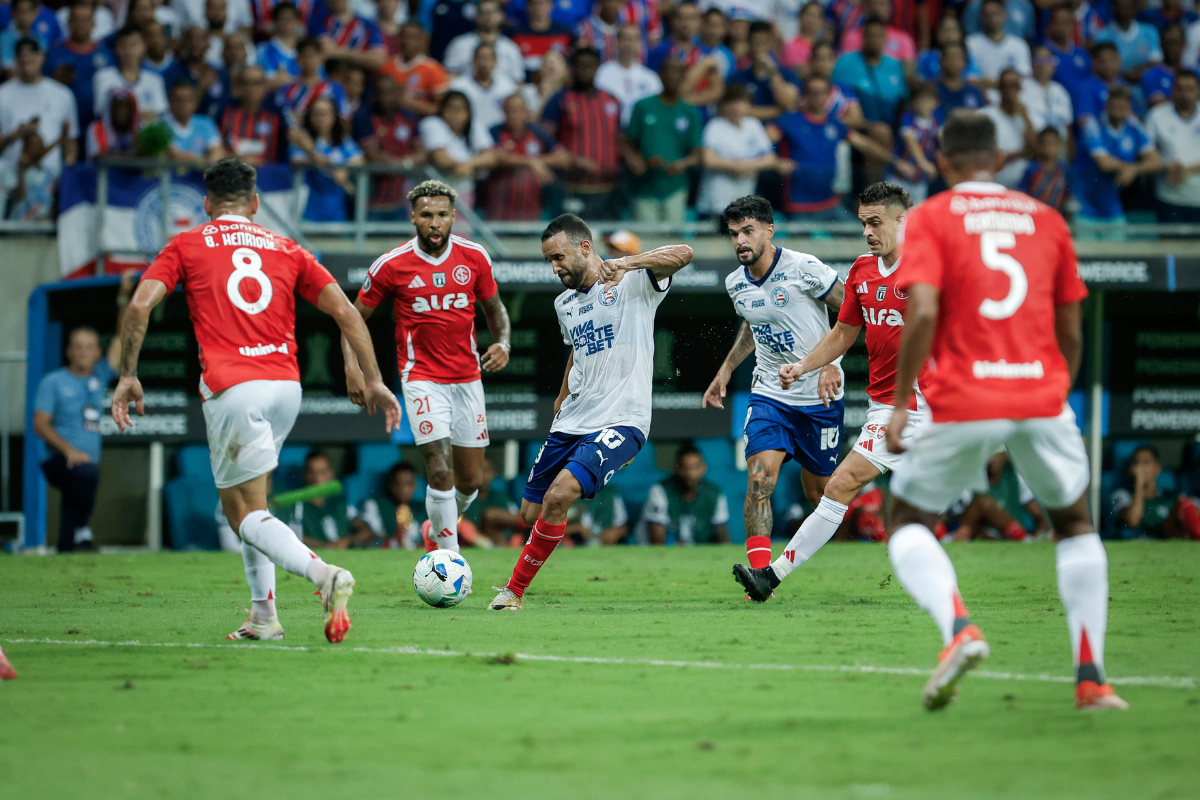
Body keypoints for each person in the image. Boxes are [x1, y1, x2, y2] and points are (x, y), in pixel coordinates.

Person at [879, 109, 1127, 711]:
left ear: (942, 161)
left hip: (966, 395)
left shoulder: (934, 217)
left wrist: (899, 402)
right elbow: (1072, 323)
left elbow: (927, 312)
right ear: (1000, 158)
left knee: (907, 518)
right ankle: (1091, 678)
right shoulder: (1046, 218)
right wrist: (1054, 388)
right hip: (1041, 393)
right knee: (1074, 523)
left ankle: (959, 628)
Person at [111, 158, 401, 643]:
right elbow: (348, 313)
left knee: (241, 514)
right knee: (256, 506)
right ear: (256, 204)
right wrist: (372, 379)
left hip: (233, 387)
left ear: (206, 205)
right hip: (285, 387)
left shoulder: (187, 243)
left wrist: (128, 374)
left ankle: (323, 574)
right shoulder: (287, 247)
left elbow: (140, 304)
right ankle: (264, 616)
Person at [732, 183, 929, 598]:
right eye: (862, 223)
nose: (867, 232)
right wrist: (806, 365)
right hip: (890, 407)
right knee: (836, 486)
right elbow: (842, 332)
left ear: (902, 220)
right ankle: (769, 576)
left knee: (840, 487)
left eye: (876, 223)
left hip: (936, 400)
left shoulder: (930, 267)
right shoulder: (862, 270)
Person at [488, 214, 692, 610]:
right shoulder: (564, 303)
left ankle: (513, 592)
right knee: (530, 512)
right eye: (549, 260)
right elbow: (577, 349)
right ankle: (543, 541)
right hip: (572, 419)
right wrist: (562, 395)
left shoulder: (634, 282)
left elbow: (684, 253)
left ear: (585, 247)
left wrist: (630, 262)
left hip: (622, 418)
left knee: (559, 495)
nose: (555, 267)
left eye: (559, 257)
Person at [344, 179, 512, 554]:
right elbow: (351, 318)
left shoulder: (475, 257)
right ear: (413, 218)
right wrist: (353, 369)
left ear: (453, 216)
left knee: (469, 482)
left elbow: (496, 310)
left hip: (468, 378)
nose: (434, 223)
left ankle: (438, 527)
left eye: (441, 215)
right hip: (421, 378)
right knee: (439, 470)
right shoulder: (392, 264)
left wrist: (503, 342)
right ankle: (448, 562)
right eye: (425, 215)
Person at [702, 195, 843, 576]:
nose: (740, 241)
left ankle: (860, 544)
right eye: (734, 234)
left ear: (769, 230)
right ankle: (760, 576)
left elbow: (852, 311)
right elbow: (752, 323)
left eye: (748, 231)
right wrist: (727, 369)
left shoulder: (804, 268)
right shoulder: (736, 283)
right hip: (770, 393)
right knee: (760, 476)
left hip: (819, 395)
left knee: (822, 496)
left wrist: (832, 363)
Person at [32, 273, 132, 553]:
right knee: (87, 474)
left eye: (89, 347)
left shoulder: (99, 376)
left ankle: (69, 546)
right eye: (77, 346)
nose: (83, 352)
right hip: (57, 461)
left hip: (85, 461)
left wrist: (123, 298)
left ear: (97, 352)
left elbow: (123, 337)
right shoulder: (53, 381)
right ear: (68, 351)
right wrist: (68, 451)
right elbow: (40, 424)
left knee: (76, 500)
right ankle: (83, 530)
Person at [769, 76, 915, 221]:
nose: (818, 97)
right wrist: (775, 162)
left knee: (858, 235)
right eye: (813, 92)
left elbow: (865, 145)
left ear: (829, 95)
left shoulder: (834, 123)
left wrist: (896, 161)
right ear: (805, 95)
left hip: (829, 203)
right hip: (799, 205)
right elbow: (762, 142)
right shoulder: (789, 120)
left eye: (822, 93)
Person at [0, 37, 79, 218]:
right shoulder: (3, 94)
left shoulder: (62, 95)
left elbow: (71, 140)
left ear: (41, 57)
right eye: (22, 60)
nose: (27, 64)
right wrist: (16, 135)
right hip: (11, 177)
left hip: (49, 177)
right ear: (16, 60)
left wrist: (68, 166)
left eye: (32, 59)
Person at [541, 47, 622, 219]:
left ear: (597, 68)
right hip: (570, 188)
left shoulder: (611, 100)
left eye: (590, 66)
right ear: (573, 68)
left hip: (607, 189)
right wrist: (570, 159)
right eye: (580, 66)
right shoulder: (560, 99)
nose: (585, 70)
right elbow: (544, 138)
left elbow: (619, 138)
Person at [622, 58, 703, 222]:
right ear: (660, 75)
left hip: (675, 186)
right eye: (668, 71)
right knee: (646, 241)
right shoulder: (643, 106)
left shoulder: (689, 111)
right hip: (644, 186)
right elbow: (626, 142)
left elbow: (697, 153)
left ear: (683, 77)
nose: (672, 76)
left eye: (677, 72)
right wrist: (635, 161)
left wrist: (682, 164)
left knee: (672, 242)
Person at [697, 84, 790, 220]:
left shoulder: (753, 125)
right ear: (724, 105)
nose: (737, 108)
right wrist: (738, 167)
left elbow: (770, 158)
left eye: (741, 103)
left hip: (743, 202)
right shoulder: (715, 126)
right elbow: (708, 160)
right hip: (715, 201)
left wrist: (741, 166)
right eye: (732, 103)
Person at [1075, 85, 1161, 222]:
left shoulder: (1134, 126)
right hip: (1084, 207)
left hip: (1113, 207)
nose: (1117, 110)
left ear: (1129, 107)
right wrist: (1128, 168)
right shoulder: (1092, 125)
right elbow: (1104, 163)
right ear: (1107, 105)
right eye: (1114, 105)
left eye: (1122, 106)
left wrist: (1134, 169)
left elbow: (1155, 161)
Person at [487, 92, 570, 221]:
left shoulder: (537, 133)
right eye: (510, 110)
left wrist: (536, 161)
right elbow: (497, 158)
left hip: (532, 212)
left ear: (526, 112)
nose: (514, 115)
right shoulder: (494, 132)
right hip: (500, 211)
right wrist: (531, 162)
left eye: (519, 110)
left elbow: (563, 157)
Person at [353, 73, 424, 220]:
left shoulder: (408, 117)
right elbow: (372, 154)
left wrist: (404, 163)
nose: (385, 99)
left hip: (400, 204)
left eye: (390, 93)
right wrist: (400, 164)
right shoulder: (363, 117)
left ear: (398, 93)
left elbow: (421, 152)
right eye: (381, 93)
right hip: (370, 204)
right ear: (374, 94)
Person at [289, 94, 363, 221]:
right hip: (306, 214)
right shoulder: (301, 141)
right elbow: (295, 160)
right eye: (316, 114)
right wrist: (316, 157)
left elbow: (359, 160)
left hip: (335, 213)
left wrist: (344, 170)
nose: (320, 118)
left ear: (334, 116)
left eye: (324, 114)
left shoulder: (342, 142)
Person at [44, 0, 114, 131]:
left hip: (97, 122)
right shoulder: (53, 53)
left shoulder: (106, 54)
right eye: (76, 20)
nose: (80, 25)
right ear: (69, 22)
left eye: (85, 20)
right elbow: (41, 86)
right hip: (63, 119)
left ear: (94, 23)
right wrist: (56, 80)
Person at [949, 452, 1050, 541]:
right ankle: (1022, 539)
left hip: (1009, 538)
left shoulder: (1015, 477)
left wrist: (1038, 537)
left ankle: (1023, 539)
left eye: (996, 453)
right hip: (976, 535)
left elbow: (1040, 515)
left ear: (1005, 456)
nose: (991, 458)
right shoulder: (969, 477)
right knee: (982, 502)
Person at [417, 89, 496, 204]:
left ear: (468, 112)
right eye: (451, 108)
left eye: (460, 110)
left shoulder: (474, 126)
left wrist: (468, 165)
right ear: (442, 109)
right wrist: (468, 165)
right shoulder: (432, 123)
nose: (455, 114)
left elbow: (491, 157)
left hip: (463, 193)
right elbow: (440, 159)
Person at [643, 445, 730, 545]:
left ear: (704, 468)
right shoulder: (660, 491)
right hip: (669, 554)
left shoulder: (714, 493)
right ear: (675, 468)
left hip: (701, 555)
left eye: (695, 467)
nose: (690, 473)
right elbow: (657, 540)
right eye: (685, 468)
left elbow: (723, 536)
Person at [1145, 69, 1200, 223]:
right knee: (1168, 246)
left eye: (1190, 89)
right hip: (1169, 196)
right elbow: (1145, 152)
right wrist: (1167, 167)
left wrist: (1186, 170)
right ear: (1172, 90)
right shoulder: (1157, 115)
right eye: (1180, 88)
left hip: (1198, 197)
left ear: (1198, 91)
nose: (1185, 94)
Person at [833, 18, 909, 129]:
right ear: (863, 37)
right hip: (858, 126)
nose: (874, 40)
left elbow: (903, 99)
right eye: (870, 35)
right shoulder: (844, 63)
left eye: (878, 36)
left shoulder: (895, 65)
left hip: (891, 124)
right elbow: (835, 97)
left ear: (885, 38)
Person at [1112, 445, 1200, 539]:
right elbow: (1133, 521)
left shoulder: (1173, 496)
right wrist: (1139, 483)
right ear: (1131, 469)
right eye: (1136, 462)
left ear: (1157, 468)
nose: (1140, 467)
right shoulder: (1122, 495)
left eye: (1146, 462)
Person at [286, 450, 365, 549]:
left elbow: (365, 529)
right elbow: (291, 536)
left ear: (331, 474)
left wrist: (348, 540)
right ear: (304, 474)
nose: (316, 478)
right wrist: (327, 547)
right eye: (311, 472)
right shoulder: (296, 505)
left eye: (321, 472)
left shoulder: (340, 503)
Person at [728, 21, 802, 121]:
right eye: (756, 43)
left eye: (764, 43)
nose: (760, 48)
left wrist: (772, 71)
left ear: (772, 43)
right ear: (749, 45)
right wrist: (779, 110)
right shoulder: (739, 78)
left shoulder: (788, 75)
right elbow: (741, 111)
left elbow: (788, 102)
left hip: (780, 132)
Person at [594, 23, 662, 126]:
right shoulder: (602, 73)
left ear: (639, 43)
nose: (628, 44)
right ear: (616, 42)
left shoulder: (651, 78)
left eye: (633, 39)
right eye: (625, 39)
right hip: (609, 128)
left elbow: (657, 109)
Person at [378, 22, 449, 118]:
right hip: (388, 122)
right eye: (403, 36)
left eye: (412, 37)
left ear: (421, 40)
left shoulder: (433, 68)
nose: (406, 41)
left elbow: (443, 109)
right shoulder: (387, 66)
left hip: (421, 123)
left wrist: (408, 103)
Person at [94, 25, 166, 120]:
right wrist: (141, 115)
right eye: (123, 45)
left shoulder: (155, 80)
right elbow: (102, 112)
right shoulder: (103, 77)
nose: (128, 51)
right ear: (116, 48)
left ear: (144, 47)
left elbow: (159, 114)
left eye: (133, 45)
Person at [220, 64, 287, 165]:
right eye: (246, 83)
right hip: (232, 175)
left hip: (267, 177)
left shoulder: (276, 115)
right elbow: (214, 149)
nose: (251, 88)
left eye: (257, 83)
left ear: (265, 86)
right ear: (239, 87)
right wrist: (236, 160)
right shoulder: (225, 112)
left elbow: (293, 137)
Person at [442, 0, 523, 84]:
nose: (488, 17)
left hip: (502, 94)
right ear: (476, 17)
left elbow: (518, 81)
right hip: (468, 93)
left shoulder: (510, 47)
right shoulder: (459, 44)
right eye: (483, 13)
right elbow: (449, 75)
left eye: (492, 12)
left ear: (501, 15)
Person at [274, 36, 351, 124]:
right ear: (297, 59)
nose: (308, 60)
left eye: (312, 56)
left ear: (321, 57)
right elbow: (281, 118)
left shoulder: (334, 88)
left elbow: (345, 118)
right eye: (304, 56)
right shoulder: (287, 89)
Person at [982, 68, 1036, 188]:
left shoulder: (1025, 116)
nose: (1010, 91)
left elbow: (1037, 149)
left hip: (1024, 186)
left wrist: (1025, 116)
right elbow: (990, 158)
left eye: (1014, 86)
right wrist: (1022, 153)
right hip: (995, 185)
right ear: (999, 89)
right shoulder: (986, 116)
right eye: (1006, 86)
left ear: (1020, 89)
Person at [449, 41, 518, 133]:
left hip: (499, 134)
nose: (484, 63)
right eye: (480, 58)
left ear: (495, 62)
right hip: (468, 133)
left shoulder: (508, 87)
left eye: (488, 58)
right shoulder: (458, 86)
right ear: (473, 61)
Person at [358, 462, 426, 548]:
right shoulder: (374, 504)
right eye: (398, 484)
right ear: (389, 484)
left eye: (408, 484)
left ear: (414, 485)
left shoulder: (422, 508)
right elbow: (368, 531)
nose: (403, 489)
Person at [307, 0, 386, 71]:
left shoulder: (368, 24)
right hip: (330, 76)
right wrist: (363, 56)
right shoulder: (319, 21)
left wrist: (341, 52)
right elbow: (327, 50)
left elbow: (377, 59)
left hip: (363, 79)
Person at [966, 0, 1031, 87]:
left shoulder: (1019, 45)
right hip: (980, 94)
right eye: (987, 15)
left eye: (996, 13)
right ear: (982, 17)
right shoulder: (970, 43)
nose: (992, 18)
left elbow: (1024, 75)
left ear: (1004, 14)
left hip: (1010, 95)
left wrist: (992, 83)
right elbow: (968, 78)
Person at [893, 82, 940, 202]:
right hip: (900, 176)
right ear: (913, 102)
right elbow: (911, 142)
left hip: (920, 180)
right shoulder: (907, 119)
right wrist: (924, 163)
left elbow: (942, 142)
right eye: (918, 100)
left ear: (936, 102)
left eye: (926, 100)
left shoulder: (936, 122)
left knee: (915, 214)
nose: (922, 104)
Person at [1094, 0, 1162, 80]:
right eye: (1120, 6)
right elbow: (1101, 65)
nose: (1123, 11)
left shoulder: (1149, 32)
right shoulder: (1103, 36)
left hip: (1145, 82)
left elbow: (1156, 62)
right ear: (1113, 9)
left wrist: (1136, 74)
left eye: (1127, 7)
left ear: (1134, 8)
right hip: (1115, 83)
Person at [165, 80, 226, 163]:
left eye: (188, 100)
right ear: (169, 101)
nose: (183, 104)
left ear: (195, 103)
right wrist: (204, 162)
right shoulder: (160, 127)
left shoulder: (205, 123)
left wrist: (210, 161)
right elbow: (174, 155)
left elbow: (217, 151)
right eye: (178, 100)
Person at [509, 0, 573, 77]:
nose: (539, 7)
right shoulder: (514, 33)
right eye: (535, 4)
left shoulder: (565, 33)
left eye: (543, 3)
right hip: (524, 81)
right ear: (527, 6)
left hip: (557, 83)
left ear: (551, 5)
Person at [1022, 44, 1073, 139]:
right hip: (1033, 142)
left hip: (1059, 143)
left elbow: (1067, 124)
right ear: (1031, 64)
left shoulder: (1060, 90)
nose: (1043, 65)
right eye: (1039, 60)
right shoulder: (1021, 87)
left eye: (1047, 60)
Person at [1018, 125, 1071, 212]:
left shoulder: (1065, 171)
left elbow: (1068, 195)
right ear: (1039, 146)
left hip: (1057, 215)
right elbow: (1022, 193)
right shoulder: (1031, 169)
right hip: (1035, 213)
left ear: (1060, 145)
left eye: (1054, 143)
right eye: (1046, 143)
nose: (1050, 148)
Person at [257, 1, 302, 89]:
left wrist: (290, 81)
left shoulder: (306, 50)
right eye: (283, 19)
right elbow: (256, 81)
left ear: (297, 22)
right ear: (275, 22)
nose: (287, 23)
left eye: (290, 19)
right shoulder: (262, 50)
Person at [1141, 24, 1186, 108]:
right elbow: (1158, 104)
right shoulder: (1151, 75)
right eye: (1167, 43)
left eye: (1174, 42)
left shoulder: (1195, 73)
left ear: (1183, 44)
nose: (1170, 47)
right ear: (1161, 45)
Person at [86, 90, 140, 158]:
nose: (121, 112)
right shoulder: (96, 129)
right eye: (117, 107)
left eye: (125, 107)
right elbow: (96, 158)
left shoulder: (140, 132)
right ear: (110, 109)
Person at [936, 43, 986, 113]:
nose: (953, 62)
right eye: (949, 57)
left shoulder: (975, 91)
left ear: (965, 63)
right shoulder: (931, 90)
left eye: (957, 58)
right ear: (941, 61)